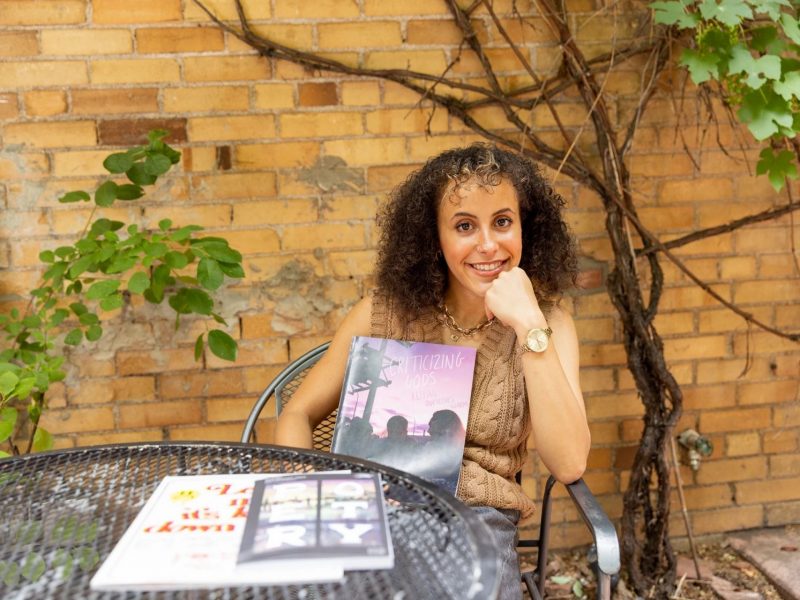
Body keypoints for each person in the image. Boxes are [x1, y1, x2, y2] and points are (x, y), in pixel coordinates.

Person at [275, 143, 590, 599]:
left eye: (502, 221)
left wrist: (528, 325)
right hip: (373, 514)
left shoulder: (549, 325)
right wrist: (313, 500)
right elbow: (297, 414)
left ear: (526, 227)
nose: (488, 244)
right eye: (465, 226)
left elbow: (569, 463)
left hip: (473, 524)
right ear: (434, 238)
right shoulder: (382, 313)